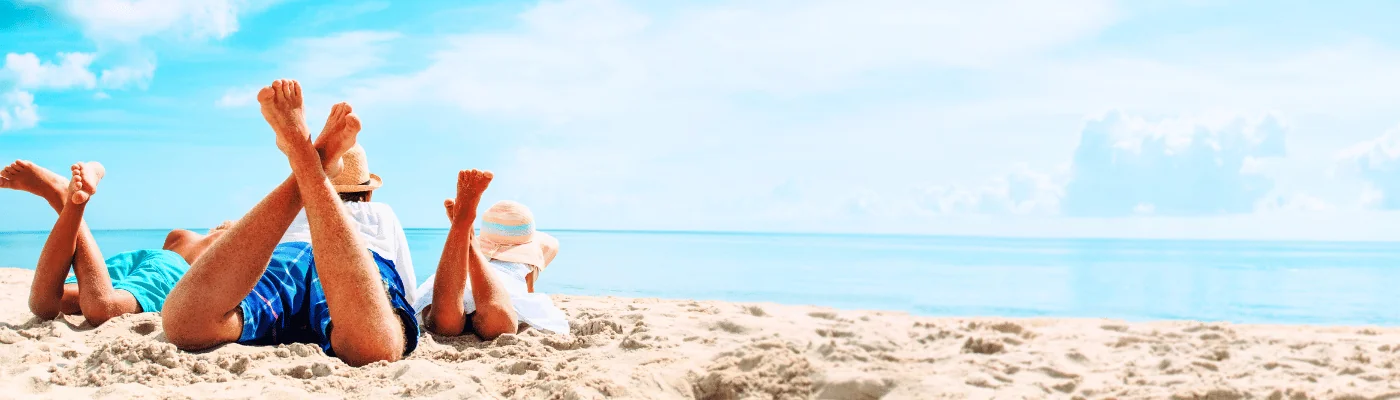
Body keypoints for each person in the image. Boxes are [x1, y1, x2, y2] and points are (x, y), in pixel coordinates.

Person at [161, 80, 418, 366]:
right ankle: (309, 160)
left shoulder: (288, 208)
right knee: (373, 348)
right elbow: (407, 288)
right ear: (368, 192)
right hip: (353, 263)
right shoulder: (380, 212)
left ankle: (305, 159)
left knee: (188, 324)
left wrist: (305, 173)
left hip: (288, 253)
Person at [0, 159, 226, 325]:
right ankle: (67, 202)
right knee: (103, 308)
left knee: (45, 305)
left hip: (138, 262)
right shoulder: (219, 241)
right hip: (174, 268)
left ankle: (61, 197)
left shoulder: (182, 236)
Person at [415, 170, 570, 339]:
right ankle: (471, 246)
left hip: (456, 280)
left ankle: (464, 234)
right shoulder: (523, 264)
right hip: (499, 288)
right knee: (500, 326)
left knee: (440, 323)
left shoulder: (457, 266)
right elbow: (528, 291)